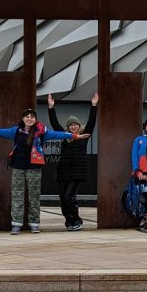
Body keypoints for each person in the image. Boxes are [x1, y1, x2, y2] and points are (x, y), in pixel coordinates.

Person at [0, 107, 81, 233]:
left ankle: (34, 223)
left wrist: (76, 136)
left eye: (32, 117)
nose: (29, 119)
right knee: (17, 195)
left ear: (35, 119)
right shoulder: (15, 131)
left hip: (34, 168)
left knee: (34, 196)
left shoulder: (42, 132)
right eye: (27, 117)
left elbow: (59, 134)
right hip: (18, 167)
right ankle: (16, 224)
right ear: (23, 119)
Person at [48, 92, 98, 231]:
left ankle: (77, 220)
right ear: (68, 127)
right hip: (63, 171)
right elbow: (54, 124)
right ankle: (69, 221)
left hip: (77, 172)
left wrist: (93, 105)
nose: (73, 127)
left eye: (75, 124)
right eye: (71, 125)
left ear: (79, 126)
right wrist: (51, 108)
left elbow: (91, 123)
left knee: (69, 196)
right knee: (63, 197)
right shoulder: (64, 136)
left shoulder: (84, 136)